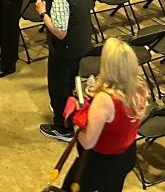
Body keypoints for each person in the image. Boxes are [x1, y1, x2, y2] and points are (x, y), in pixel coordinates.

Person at [15, 0, 93, 142]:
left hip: (65, 48)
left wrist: (42, 11)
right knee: (70, 81)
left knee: (59, 87)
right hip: (80, 41)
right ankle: (68, 110)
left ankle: (63, 127)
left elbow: (59, 31)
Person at [61, 37, 150, 191]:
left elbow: (88, 141)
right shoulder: (138, 86)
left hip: (100, 161)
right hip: (125, 154)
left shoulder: (105, 100)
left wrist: (77, 121)